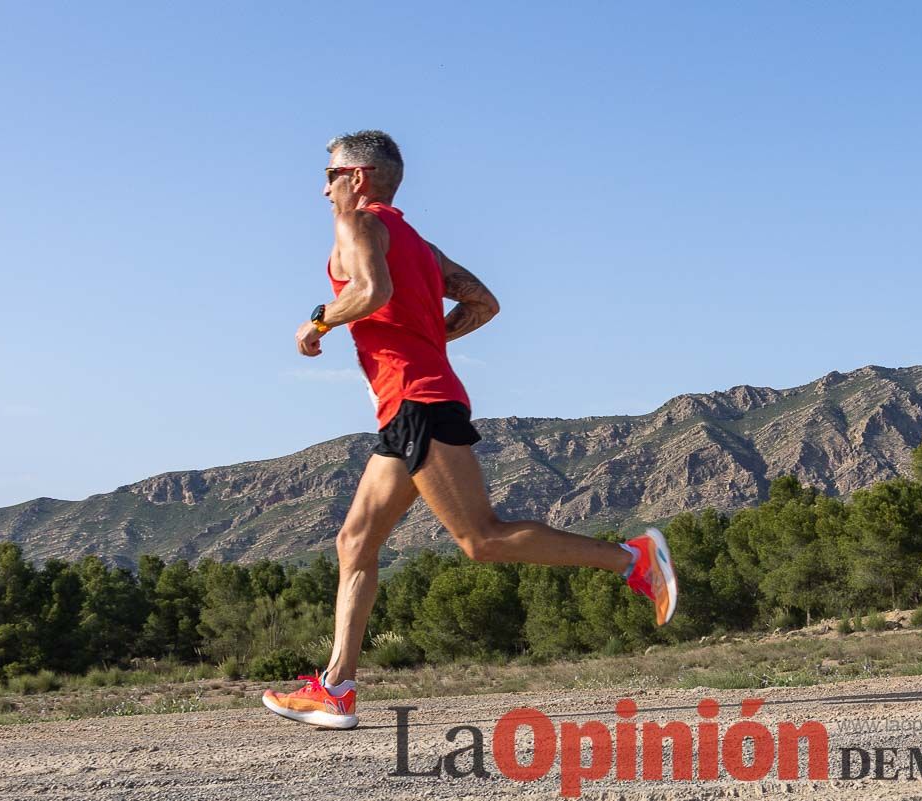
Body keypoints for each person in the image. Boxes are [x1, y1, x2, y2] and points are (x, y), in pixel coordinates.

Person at [262, 130, 677, 730]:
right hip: (409, 403)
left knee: (480, 539)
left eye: (330, 174)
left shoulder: (357, 226)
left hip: (418, 401)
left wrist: (317, 322)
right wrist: (429, 338)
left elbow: (371, 290)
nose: (322, 186)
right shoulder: (419, 245)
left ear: (357, 178)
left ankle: (631, 559)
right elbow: (483, 302)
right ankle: (337, 688)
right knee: (355, 542)